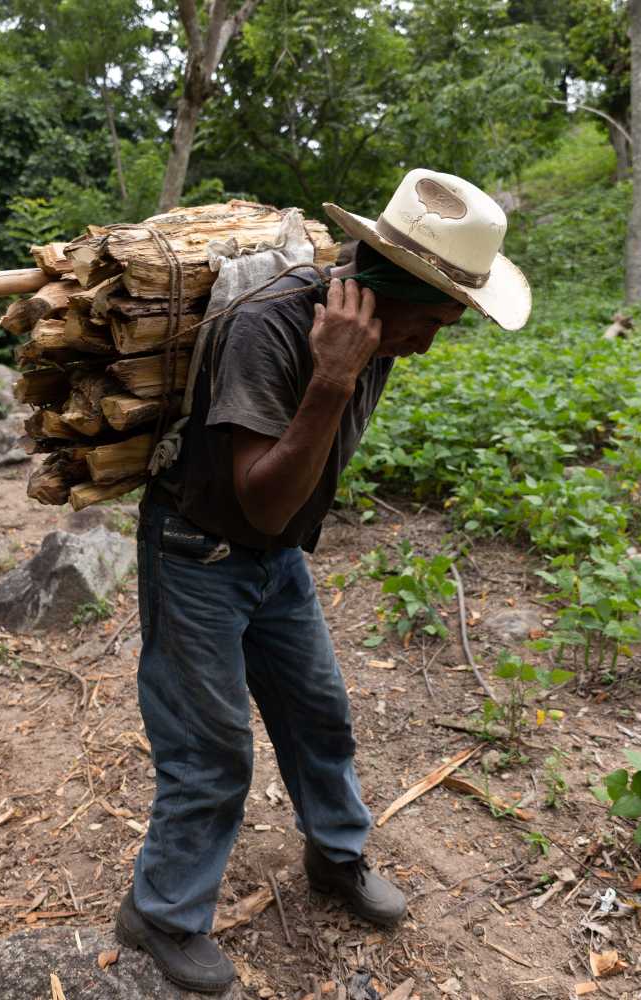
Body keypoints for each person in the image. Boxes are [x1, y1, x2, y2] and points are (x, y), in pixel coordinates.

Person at [115, 168, 532, 993]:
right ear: (385, 288)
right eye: (436, 320)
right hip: (198, 551)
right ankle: (160, 912)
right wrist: (332, 379)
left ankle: (335, 859)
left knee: (319, 715)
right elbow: (263, 502)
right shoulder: (273, 331)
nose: (430, 341)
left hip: (273, 561)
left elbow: (278, 526)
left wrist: (351, 365)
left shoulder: (376, 326)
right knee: (211, 751)